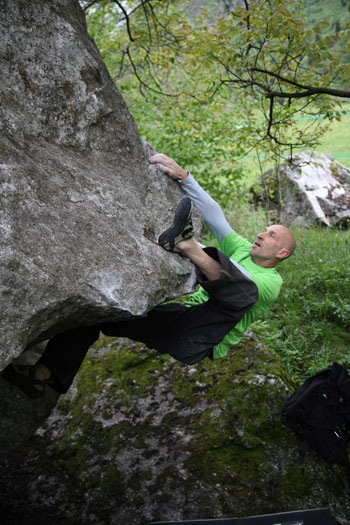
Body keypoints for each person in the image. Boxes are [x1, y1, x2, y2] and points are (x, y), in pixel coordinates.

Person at [2, 154, 296, 398]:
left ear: (281, 254)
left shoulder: (271, 283)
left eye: (271, 235)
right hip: (179, 315)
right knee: (96, 311)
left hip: (202, 335)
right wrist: (186, 178)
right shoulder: (243, 249)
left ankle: (186, 244)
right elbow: (216, 217)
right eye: (264, 229)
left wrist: (198, 249)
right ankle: (42, 376)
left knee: (242, 292)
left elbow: (241, 285)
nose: (261, 233)